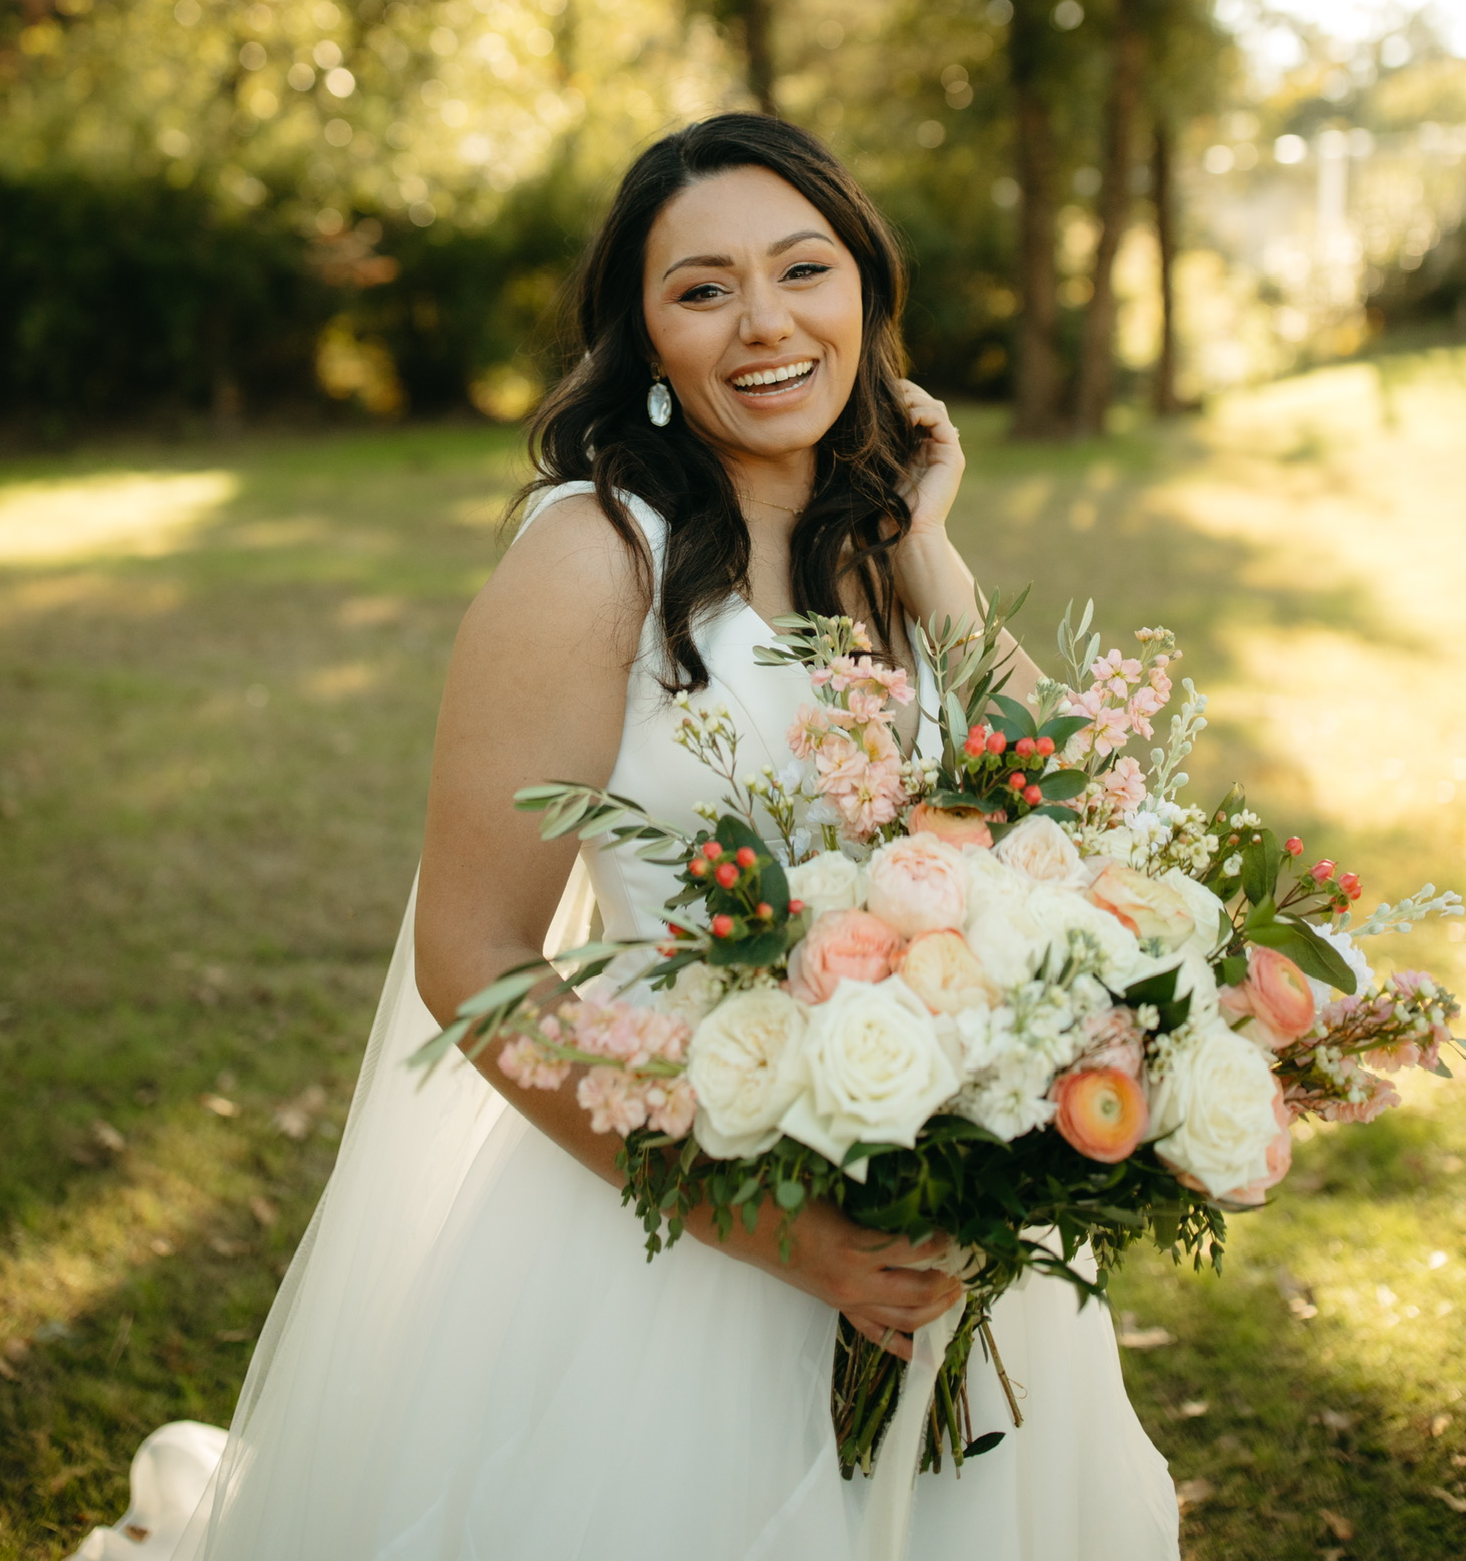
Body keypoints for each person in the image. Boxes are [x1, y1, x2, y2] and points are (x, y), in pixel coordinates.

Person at [78, 114, 1179, 1561]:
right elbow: (470, 956)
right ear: (644, 337)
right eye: (704, 288)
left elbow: (1073, 817)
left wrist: (927, 542)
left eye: (805, 269)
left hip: (946, 1195)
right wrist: (781, 1236)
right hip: (678, 1208)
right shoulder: (593, 562)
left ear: (865, 290)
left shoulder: (885, 546)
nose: (767, 322)